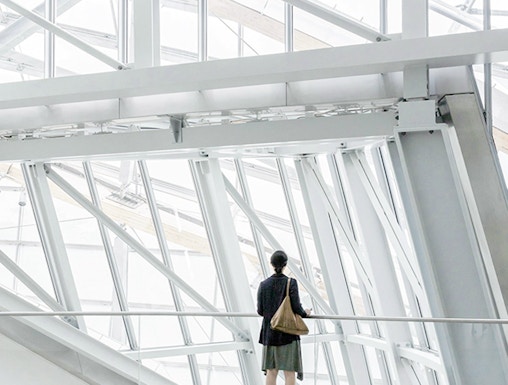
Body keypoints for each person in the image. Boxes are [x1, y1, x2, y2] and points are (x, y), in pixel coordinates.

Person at [257, 250, 311, 385]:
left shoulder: (263, 285)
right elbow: (297, 308)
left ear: (271, 264)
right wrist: (306, 313)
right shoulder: (290, 283)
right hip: (288, 333)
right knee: (289, 372)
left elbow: (260, 311)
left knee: (271, 372)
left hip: (270, 333)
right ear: (285, 265)